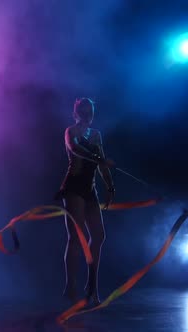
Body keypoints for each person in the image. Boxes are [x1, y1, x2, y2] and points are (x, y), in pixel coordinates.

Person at [55, 97, 115, 305]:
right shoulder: (70, 131)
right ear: (76, 113)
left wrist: (110, 186)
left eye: (90, 110)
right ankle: (70, 288)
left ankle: (91, 287)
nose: (88, 113)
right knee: (76, 238)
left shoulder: (97, 134)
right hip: (73, 187)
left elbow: (102, 164)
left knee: (99, 236)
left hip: (89, 190)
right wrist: (99, 158)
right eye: (84, 110)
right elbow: (76, 149)